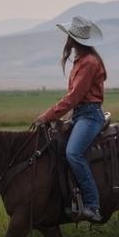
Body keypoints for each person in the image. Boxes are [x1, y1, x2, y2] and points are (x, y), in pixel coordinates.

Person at [35, 15, 107, 222]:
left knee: (73, 153)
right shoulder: (82, 60)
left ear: (74, 39)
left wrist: (47, 115)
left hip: (90, 116)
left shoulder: (89, 63)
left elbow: (75, 97)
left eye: (69, 36)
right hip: (79, 115)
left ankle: (93, 205)